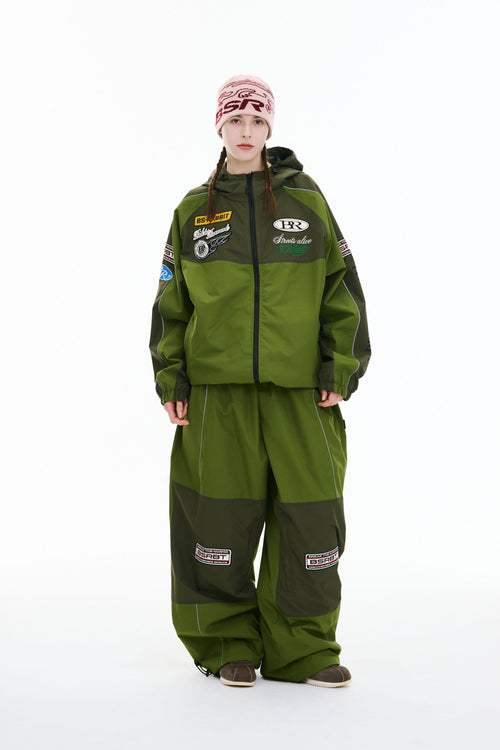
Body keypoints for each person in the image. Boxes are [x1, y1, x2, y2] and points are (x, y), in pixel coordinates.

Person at [149, 74, 371, 688]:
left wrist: (339, 367)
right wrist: (172, 378)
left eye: (256, 121)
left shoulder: (307, 203)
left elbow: (342, 291)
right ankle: (227, 643)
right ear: (219, 127)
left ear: (269, 128)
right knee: (215, 521)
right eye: (235, 120)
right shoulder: (194, 211)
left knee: (311, 519)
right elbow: (171, 304)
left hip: (302, 392)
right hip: (216, 395)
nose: (245, 131)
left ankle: (303, 649)